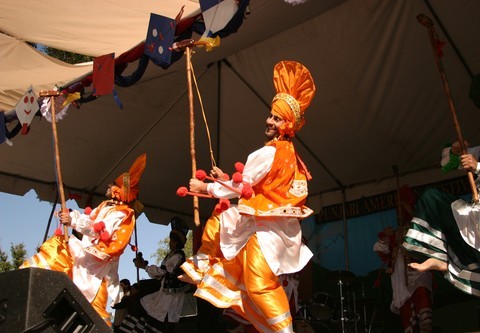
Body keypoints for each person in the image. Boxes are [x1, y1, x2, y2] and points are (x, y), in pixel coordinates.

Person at [179, 60, 316, 333]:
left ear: (286, 124)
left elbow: (244, 186)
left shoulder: (270, 152)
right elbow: (255, 186)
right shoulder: (292, 156)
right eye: (270, 115)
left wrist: (204, 187)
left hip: (266, 231)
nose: (268, 121)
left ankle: (201, 266)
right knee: (224, 222)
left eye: (275, 118)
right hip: (272, 229)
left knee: (258, 282)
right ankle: (200, 267)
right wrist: (220, 179)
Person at [403, 69, 480, 308]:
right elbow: (447, 162)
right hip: (478, 216)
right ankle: (440, 258)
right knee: (431, 197)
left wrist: (478, 168)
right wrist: (456, 152)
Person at [20, 154, 147, 326]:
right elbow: (91, 221)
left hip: (96, 264)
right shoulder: (104, 206)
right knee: (58, 246)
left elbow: (100, 231)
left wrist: (73, 221)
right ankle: (30, 281)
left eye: (113, 184)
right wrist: (71, 215)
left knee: (89, 308)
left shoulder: (122, 214)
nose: (109, 186)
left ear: (119, 191)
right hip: (84, 254)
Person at [119, 217, 190, 333]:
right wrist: (145, 267)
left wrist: (144, 267)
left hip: (167, 297)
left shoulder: (178, 256)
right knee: (145, 307)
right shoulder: (172, 255)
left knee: (145, 307)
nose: (170, 243)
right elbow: (160, 274)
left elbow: (162, 272)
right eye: (170, 240)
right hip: (164, 295)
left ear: (178, 243)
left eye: (173, 241)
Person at [374, 226, 433, 332]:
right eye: (397, 233)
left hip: (418, 276)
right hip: (401, 282)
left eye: (403, 232)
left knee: (422, 289)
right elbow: (379, 248)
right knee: (405, 305)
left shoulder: (416, 244)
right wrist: (385, 236)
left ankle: (425, 324)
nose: (400, 234)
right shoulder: (393, 249)